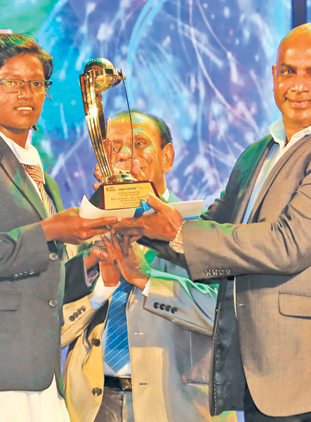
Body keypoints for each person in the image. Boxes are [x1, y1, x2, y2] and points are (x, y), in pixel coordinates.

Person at [115, 24, 311, 421]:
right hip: (267, 382)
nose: (299, 85)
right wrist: (133, 215)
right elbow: (211, 228)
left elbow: (289, 244)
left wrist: (180, 232)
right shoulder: (259, 153)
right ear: (273, 77)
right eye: (289, 71)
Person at [0, 33, 117, 422]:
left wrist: (89, 264)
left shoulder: (44, 179)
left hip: (41, 375)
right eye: (10, 82)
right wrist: (47, 232)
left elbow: (44, 280)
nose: (25, 93)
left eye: (35, 83)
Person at [61, 110, 238, 422]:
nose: (126, 156)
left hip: (178, 408)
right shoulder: (81, 230)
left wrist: (144, 279)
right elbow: (51, 331)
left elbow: (226, 317)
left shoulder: (201, 228)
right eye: (114, 148)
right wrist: (103, 285)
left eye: (139, 143)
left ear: (166, 156)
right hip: (92, 408)